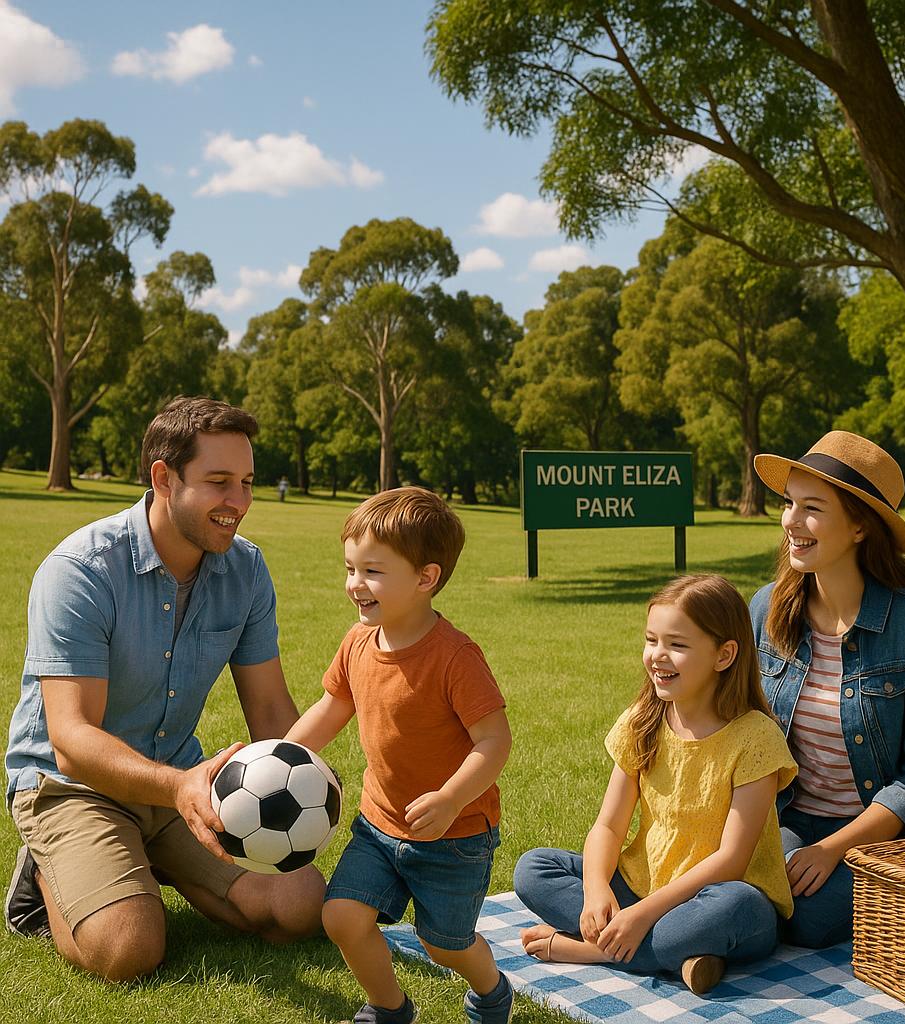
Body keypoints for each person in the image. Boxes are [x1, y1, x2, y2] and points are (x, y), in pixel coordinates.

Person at [4, 396, 325, 981]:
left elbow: (272, 709)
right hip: (71, 786)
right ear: (163, 478)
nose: (239, 503)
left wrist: (305, 785)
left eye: (247, 482)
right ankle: (47, 870)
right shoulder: (80, 569)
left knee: (300, 907)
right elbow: (72, 739)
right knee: (129, 949)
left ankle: (141, 857)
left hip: (181, 781)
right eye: (220, 482)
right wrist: (178, 788)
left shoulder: (246, 570)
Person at [285, 487, 514, 1024]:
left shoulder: (455, 657)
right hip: (378, 823)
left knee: (444, 946)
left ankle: (491, 989)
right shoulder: (358, 643)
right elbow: (331, 706)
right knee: (342, 916)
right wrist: (279, 756)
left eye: (372, 572)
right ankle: (389, 1008)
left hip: (454, 836)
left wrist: (452, 798)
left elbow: (494, 741)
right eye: (349, 568)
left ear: (425, 578)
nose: (354, 585)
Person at [749, 430, 905, 948]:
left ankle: (722, 934)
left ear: (858, 527)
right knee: (745, 883)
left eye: (812, 508)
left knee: (805, 917)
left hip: (897, 831)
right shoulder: (766, 609)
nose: (791, 521)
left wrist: (831, 850)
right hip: (796, 815)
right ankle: (714, 934)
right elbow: (739, 732)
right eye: (789, 503)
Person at [514, 574, 797, 995]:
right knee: (532, 869)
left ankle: (599, 949)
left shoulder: (756, 737)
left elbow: (732, 860)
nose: (658, 657)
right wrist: (595, 891)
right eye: (652, 640)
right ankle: (680, 956)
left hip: (726, 900)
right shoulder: (643, 721)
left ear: (724, 655)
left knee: (729, 909)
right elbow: (608, 827)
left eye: (677, 645)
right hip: (645, 888)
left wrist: (642, 915)